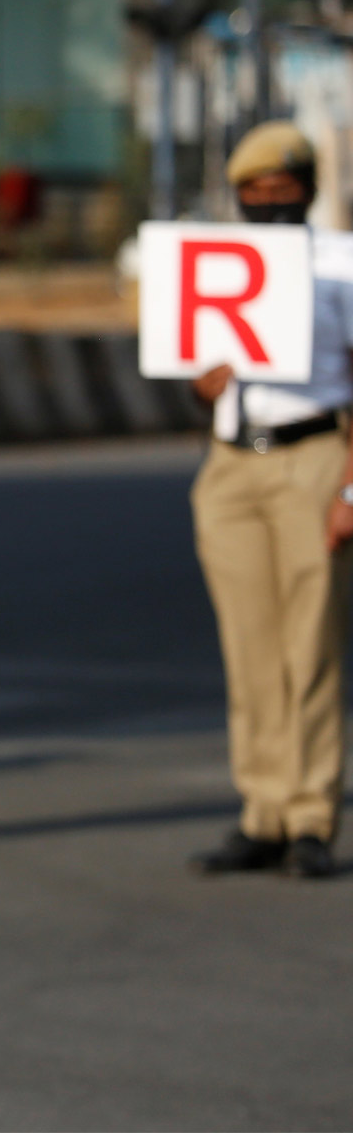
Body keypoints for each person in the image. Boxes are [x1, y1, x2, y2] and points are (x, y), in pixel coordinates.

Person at [186, 120, 351, 881]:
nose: (267, 203)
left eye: (282, 191)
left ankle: (313, 813)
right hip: (230, 464)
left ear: (308, 194)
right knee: (247, 646)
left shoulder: (341, 265)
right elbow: (192, 373)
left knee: (308, 643)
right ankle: (263, 811)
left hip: (312, 457)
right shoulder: (215, 265)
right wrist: (203, 382)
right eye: (254, 193)